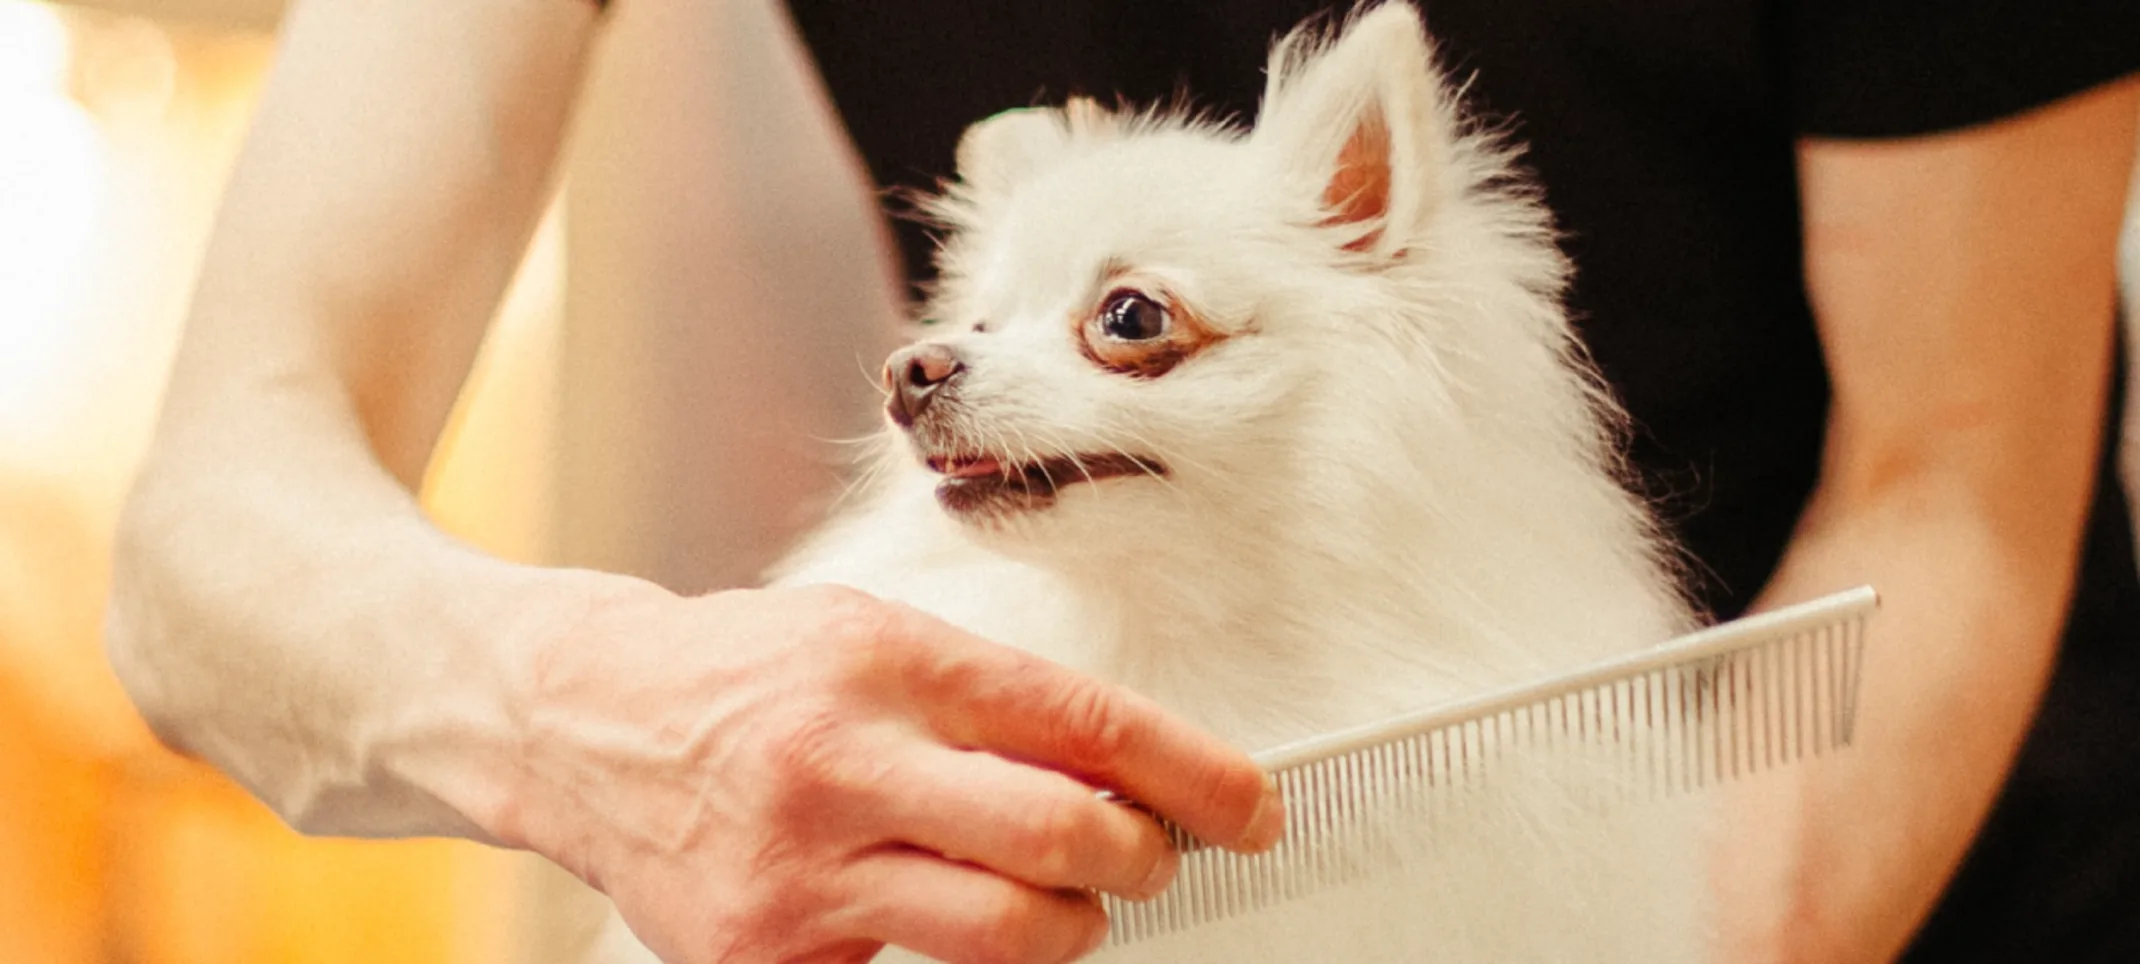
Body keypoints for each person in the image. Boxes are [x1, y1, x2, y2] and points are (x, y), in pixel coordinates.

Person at [104, 0, 2139, 962]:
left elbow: (1954, 478)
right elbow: (209, 545)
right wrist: (592, 706)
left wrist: (1641, 931)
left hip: (1864, 858)